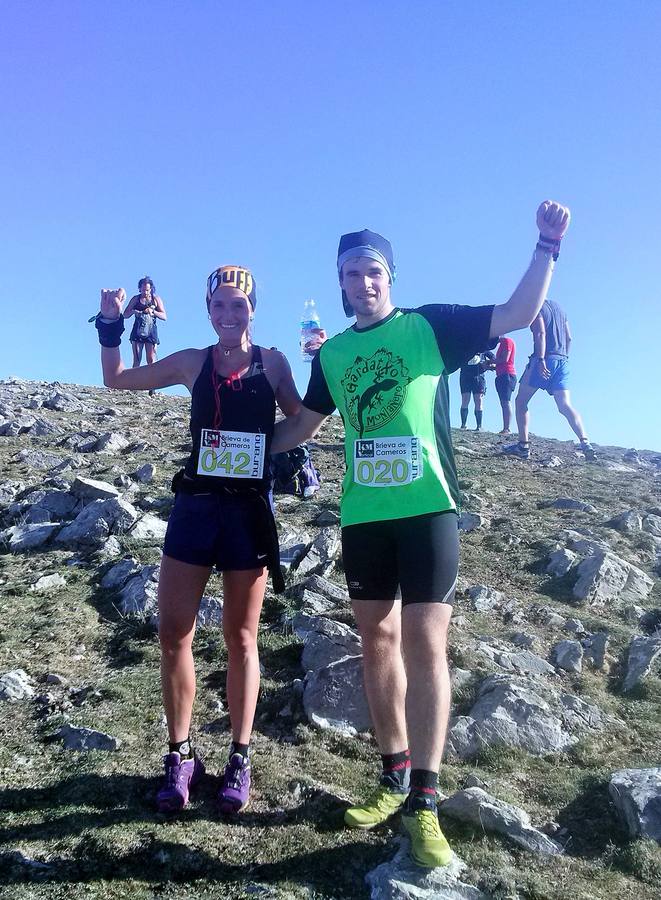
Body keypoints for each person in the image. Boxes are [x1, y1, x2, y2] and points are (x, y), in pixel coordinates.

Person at [270, 200, 571, 868]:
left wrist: (545, 246)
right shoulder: (335, 352)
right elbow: (302, 429)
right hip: (363, 516)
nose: (363, 281)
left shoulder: (427, 326)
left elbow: (516, 315)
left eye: (372, 269)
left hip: (428, 508)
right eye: (351, 272)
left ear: (389, 276)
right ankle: (391, 776)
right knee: (375, 642)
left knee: (424, 644)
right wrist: (238, 445)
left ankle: (426, 801)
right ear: (341, 283)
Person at [92, 265, 302, 815]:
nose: (229, 315)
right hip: (195, 510)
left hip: (248, 514)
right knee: (173, 634)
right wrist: (111, 326)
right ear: (208, 310)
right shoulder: (193, 361)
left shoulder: (273, 362)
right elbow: (116, 380)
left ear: (254, 308)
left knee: (242, 639)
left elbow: (304, 420)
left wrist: (269, 450)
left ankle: (239, 757)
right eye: (220, 306)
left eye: (239, 305)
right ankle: (181, 755)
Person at [502, 298, 596, 460]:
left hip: (544, 359)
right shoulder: (560, 308)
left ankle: (523, 446)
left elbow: (540, 333)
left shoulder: (536, 306)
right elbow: (569, 338)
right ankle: (585, 441)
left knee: (521, 401)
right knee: (565, 405)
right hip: (562, 360)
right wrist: (564, 357)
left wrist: (541, 359)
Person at [123, 276, 167, 368]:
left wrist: (153, 312)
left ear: (151, 289)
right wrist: (134, 311)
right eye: (143, 290)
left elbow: (164, 316)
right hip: (138, 330)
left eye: (147, 290)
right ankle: (134, 382)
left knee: (151, 359)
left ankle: (152, 381)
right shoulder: (135, 299)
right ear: (139, 289)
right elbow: (125, 315)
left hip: (151, 331)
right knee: (137, 359)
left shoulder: (156, 299)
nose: (145, 292)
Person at [459, 351, 495, 431]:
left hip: (479, 377)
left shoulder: (484, 350)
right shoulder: (466, 348)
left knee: (479, 400)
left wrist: (488, 365)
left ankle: (479, 426)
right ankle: (463, 424)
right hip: (465, 376)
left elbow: (495, 361)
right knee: (465, 399)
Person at [494, 335, 517, 433]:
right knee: (503, 402)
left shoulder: (507, 341)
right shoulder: (502, 344)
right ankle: (505, 427)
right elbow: (502, 362)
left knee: (506, 401)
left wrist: (490, 361)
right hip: (502, 374)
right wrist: (492, 366)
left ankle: (507, 428)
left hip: (507, 374)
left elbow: (505, 359)